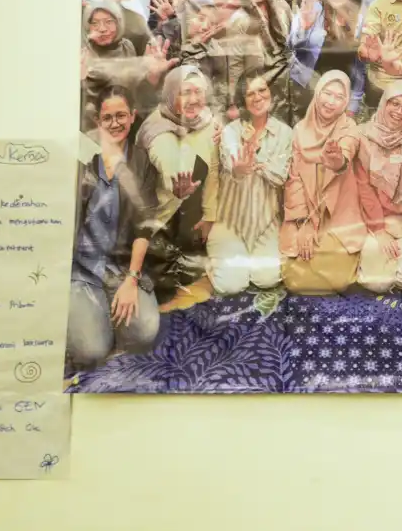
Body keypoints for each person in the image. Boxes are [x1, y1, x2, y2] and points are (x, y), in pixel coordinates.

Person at [69, 91, 159, 371]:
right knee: (91, 351)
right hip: (81, 270)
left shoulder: (142, 162)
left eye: (121, 115)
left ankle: (102, 316)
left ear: (132, 117)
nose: (115, 123)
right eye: (107, 117)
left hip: (122, 267)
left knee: (145, 332)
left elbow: (144, 226)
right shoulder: (82, 157)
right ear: (98, 121)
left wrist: (132, 279)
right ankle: (90, 316)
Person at [134, 65, 220, 307]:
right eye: (185, 92)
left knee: (199, 275)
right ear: (171, 95)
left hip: (190, 216)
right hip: (157, 222)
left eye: (198, 92)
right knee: (163, 293)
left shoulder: (209, 122)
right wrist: (176, 185)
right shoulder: (158, 128)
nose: (193, 99)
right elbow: (166, 156)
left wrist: (210, 215)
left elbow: (214, 171)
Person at [202, 74, 294, 297]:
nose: (258, 97)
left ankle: (247, 261)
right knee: (231, 286)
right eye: (250, 93)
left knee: (267, 280)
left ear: (271, 93)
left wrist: (257, 161)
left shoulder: (285, 133)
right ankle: (219, 261)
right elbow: (233, 165)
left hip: (266, 223)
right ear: (243, 100)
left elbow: (280, 176)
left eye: (262, 90)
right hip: (230, 222)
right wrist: (241, 169)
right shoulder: (231, 131)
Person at [279, 71, 363, 294]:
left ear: (345, 102)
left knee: (338, 279)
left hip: (337, 216)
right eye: (327, 93)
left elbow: (346, 152)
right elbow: (294, 180)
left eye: (339, 97)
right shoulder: (299, 131)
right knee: (293, 278)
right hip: (305, 211)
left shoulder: (349, 128)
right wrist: (303, 222)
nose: (331, 101)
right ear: (317, 93)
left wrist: (336, 160)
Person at [351, 81, 402, 294]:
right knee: (375, 284)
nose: (400, 111)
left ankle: (396, 262)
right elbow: (364, 188)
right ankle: (389, 263)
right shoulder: (363, 136)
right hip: (375, 219)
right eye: (395, 103)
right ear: (384, 102)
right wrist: (379, 231)